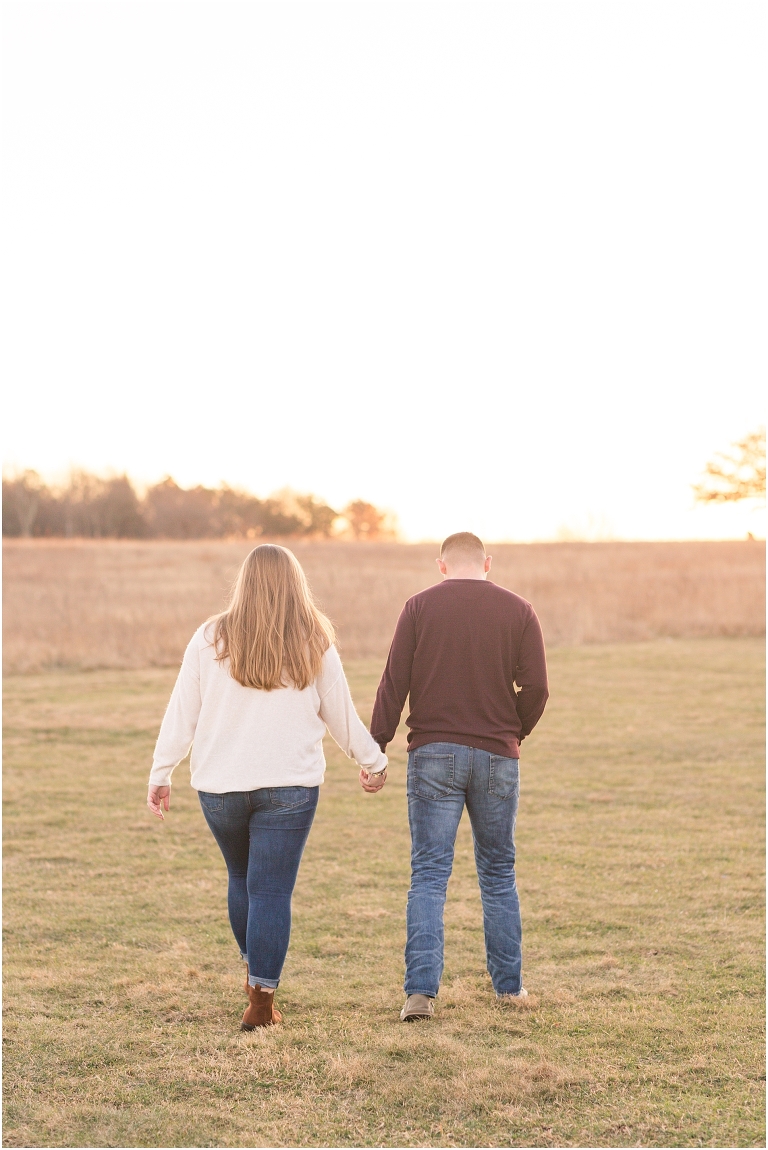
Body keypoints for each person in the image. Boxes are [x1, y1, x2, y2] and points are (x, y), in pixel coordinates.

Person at [146, 544, 387, 1030]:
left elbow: (181, 712)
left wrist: (161, 772)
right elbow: (339, 713)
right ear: (296, 584)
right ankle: (261, 999)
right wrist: (373, 761)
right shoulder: (313, 639)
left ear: (244, 583)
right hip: (289, 788)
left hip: (219, 786)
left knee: (243, 880)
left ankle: (256, 977)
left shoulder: (210, 637)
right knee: (271, 891)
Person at [370, 532, 548, 1021]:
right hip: (497, 756)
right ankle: (509, 990)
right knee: (498, 872)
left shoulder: (418, 607)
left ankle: (420, 994)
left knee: (428, 874)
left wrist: (375, 747)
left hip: (433, 754)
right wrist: (514, 731)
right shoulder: (519, 609)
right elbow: (537, 686)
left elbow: (394, 681)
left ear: (442, 565)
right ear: (487, 563)